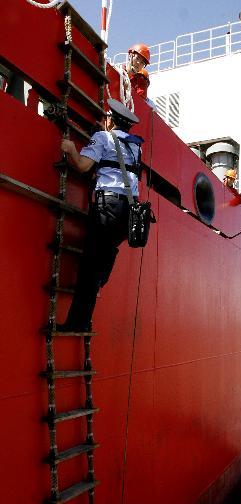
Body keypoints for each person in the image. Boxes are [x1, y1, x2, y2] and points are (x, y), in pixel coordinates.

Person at [57, 99, 142, 332]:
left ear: (110, 120)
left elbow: (84, 166)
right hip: (129, 213)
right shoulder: (136, 146)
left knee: (88, 267)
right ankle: (103, 273)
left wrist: (71, 149)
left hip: (109, 207)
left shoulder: (103, 137)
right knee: (104, 253)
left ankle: (77, 322)